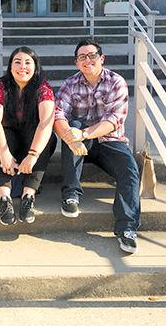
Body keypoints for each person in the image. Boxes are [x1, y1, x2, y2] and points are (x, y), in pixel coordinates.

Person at [53, 38, 141, 254]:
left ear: (102, 58)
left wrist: (82, 134)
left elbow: (114, 120)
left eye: (92, 55)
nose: (87, 60)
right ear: (76, 63)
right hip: (80, 142)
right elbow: (58, 114)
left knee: (130, 171)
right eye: (82, 57)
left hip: (110, 140)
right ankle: (71, 194)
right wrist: (72, 136)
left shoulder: (116, 82)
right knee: (70, 127)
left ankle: (127, 228)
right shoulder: (70, 84)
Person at [0, 46, 57, 225]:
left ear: (35, 67)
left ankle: (28, 196)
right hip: (8, 138)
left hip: (32, 139)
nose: (22, 67)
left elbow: (46, 123)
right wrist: (4, 154)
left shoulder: (43, 87)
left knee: (47, 138)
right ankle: (4, 198)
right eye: (17, 62)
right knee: (0, 138)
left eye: (28, 62)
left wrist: (33, 155)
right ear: (10, 66)